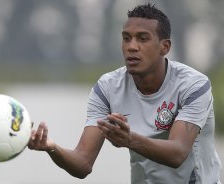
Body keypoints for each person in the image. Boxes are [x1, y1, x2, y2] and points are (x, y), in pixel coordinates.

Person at [28, 3, 222, 183]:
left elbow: (178, 153)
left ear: (165, 47)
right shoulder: (107, 88)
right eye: (126, 38)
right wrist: (51, 147)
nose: (132, 46)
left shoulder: (194, 85)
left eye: (143, 38)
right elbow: (83, 164)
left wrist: (130, 139)